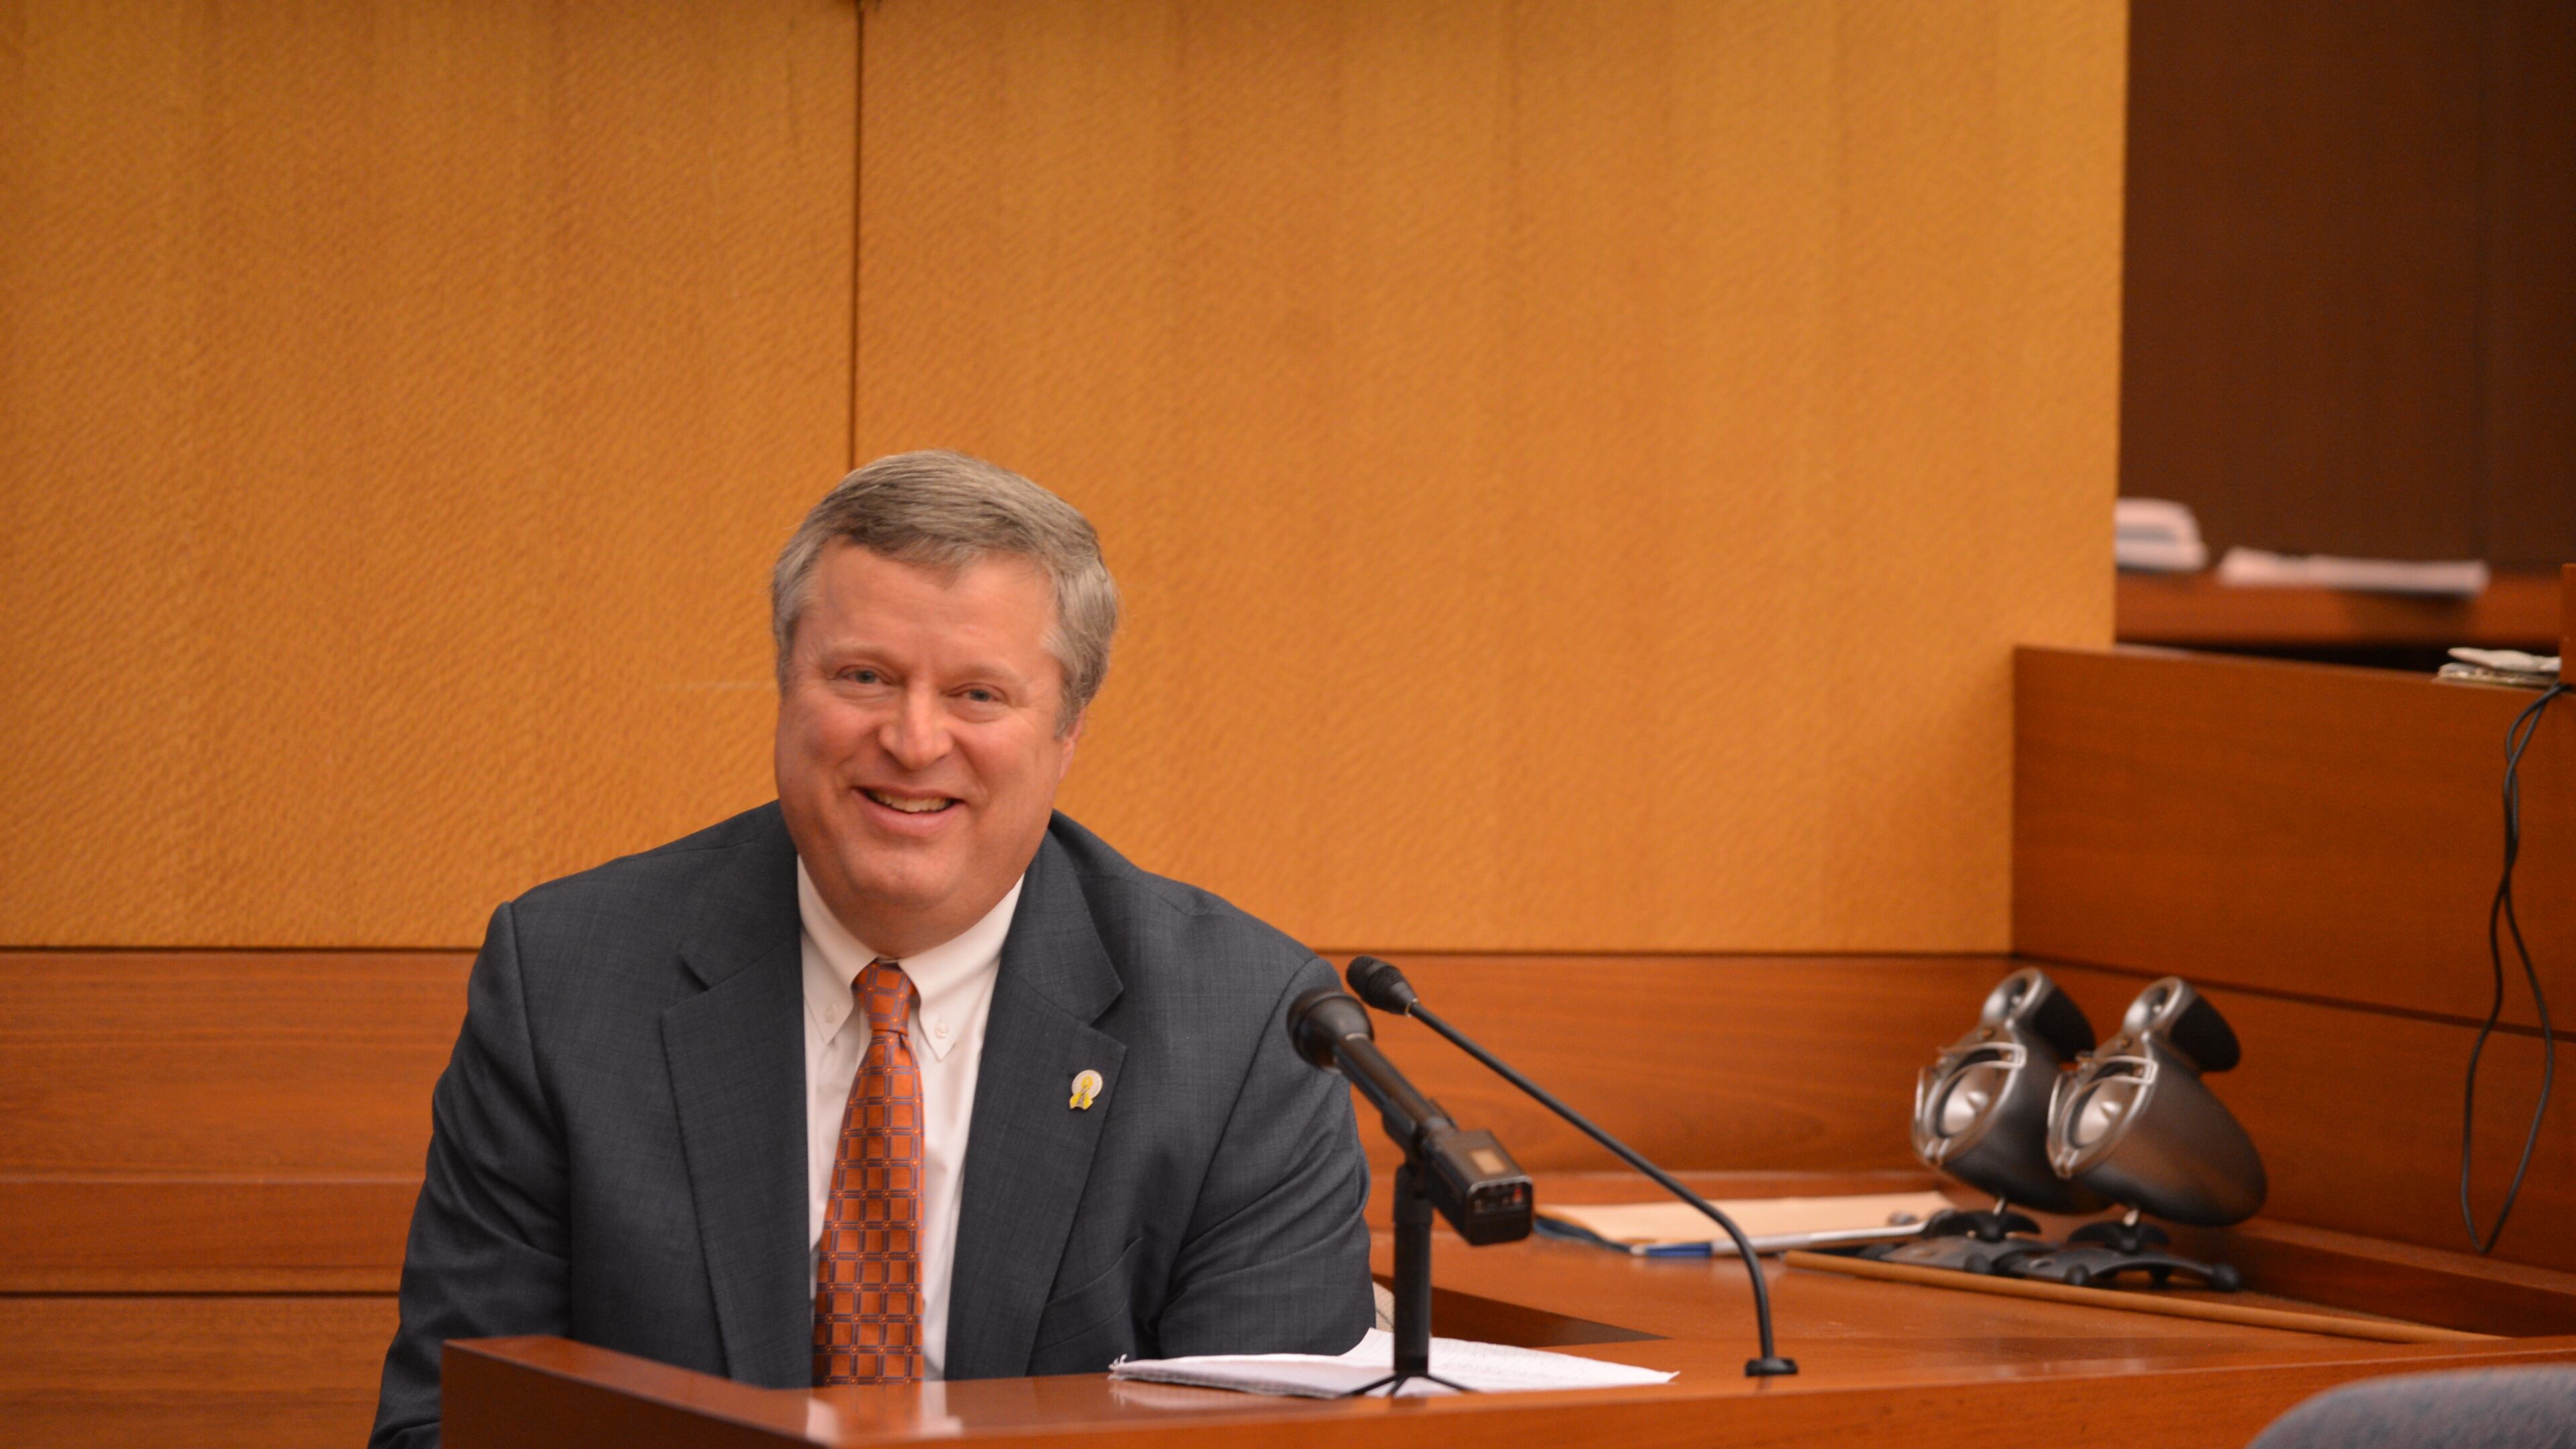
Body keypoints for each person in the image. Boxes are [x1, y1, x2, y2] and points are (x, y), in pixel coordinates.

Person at [370, 451, 1373, 1447]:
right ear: (785, 687)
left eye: (979, 695)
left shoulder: (1243, 1029)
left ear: (1067, 734)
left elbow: (1266, 1442)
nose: (913, 737)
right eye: (864, 676)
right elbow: (451, 1423)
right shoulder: (569, 981)